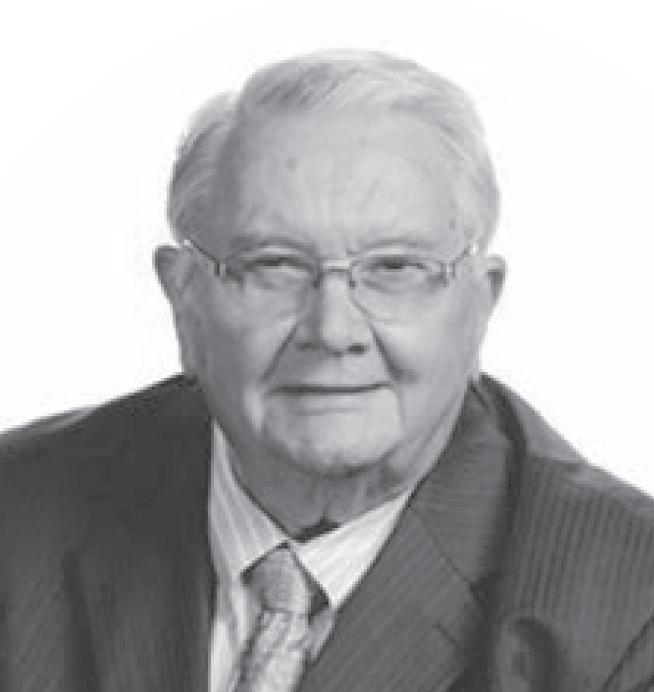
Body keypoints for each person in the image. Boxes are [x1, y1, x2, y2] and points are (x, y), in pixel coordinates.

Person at [1, 50, 653, 692]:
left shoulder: (628, 611)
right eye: (273, 265)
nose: (333, 330)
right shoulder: (17, 514)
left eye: (394, 268)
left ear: (482, 302)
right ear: (184, 298)